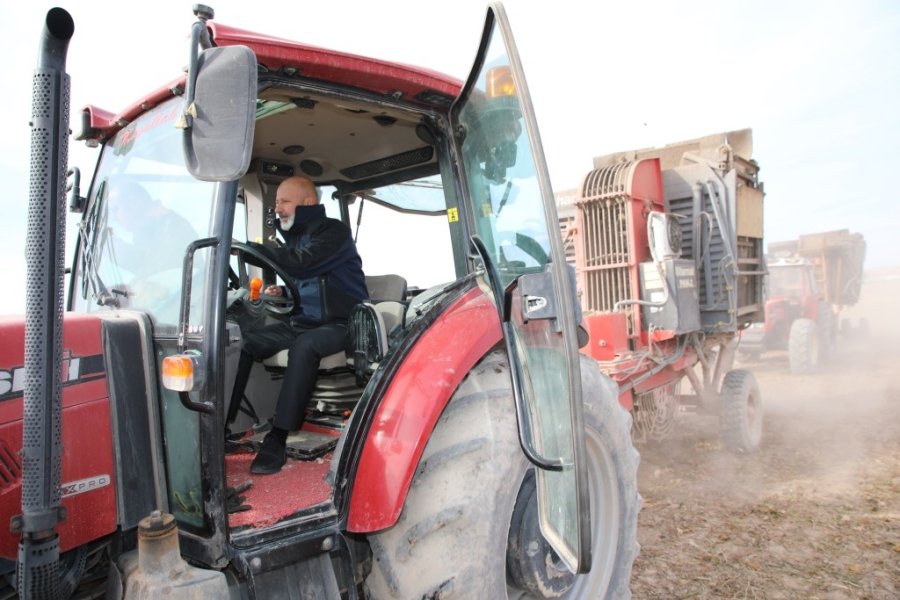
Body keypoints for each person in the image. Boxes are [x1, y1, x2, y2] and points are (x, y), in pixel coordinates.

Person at [228, 175, 368, 474]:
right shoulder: (293, 239)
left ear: (307, 203)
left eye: (284, 201)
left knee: (304, 347)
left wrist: (252, 247)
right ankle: (226, 425)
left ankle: (277, 439)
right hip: (303, 322)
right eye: (276, 202)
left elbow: (304, 263)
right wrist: (281, 290)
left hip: (342, 323)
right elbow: (303, 275)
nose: (277, 208)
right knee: (244, 340)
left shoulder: (334, 232)